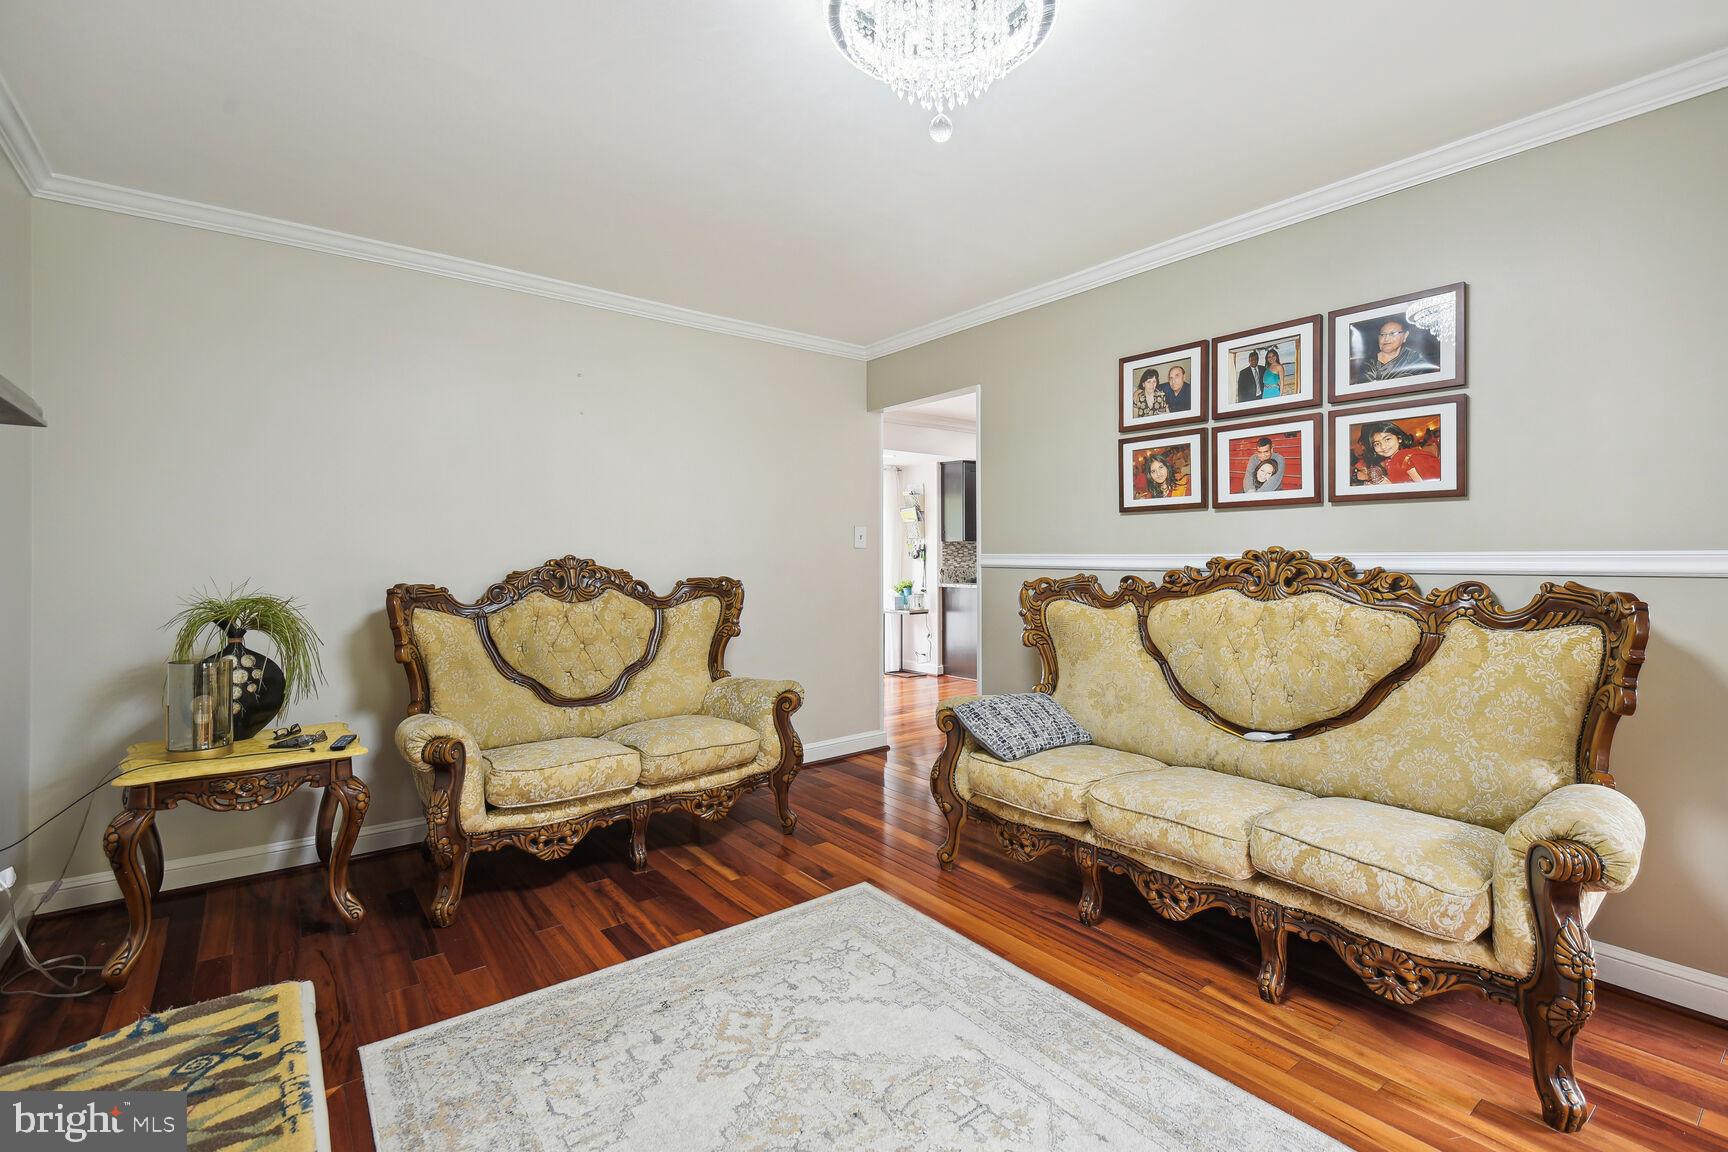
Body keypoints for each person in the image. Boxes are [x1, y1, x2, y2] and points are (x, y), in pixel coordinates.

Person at [1356, 317, 1438, 382]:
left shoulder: (1414, 360)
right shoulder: (1368, 364)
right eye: (1382, 334)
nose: (1386, 338)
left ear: (1405, 336)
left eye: (1392, 334)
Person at [1358, 421, 1440, 483]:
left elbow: (1425, 491)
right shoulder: (1391, 461)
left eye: (1387, 439)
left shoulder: (1407, 458)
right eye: (1377, 444)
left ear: (1399, 438)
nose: (1383, 446)